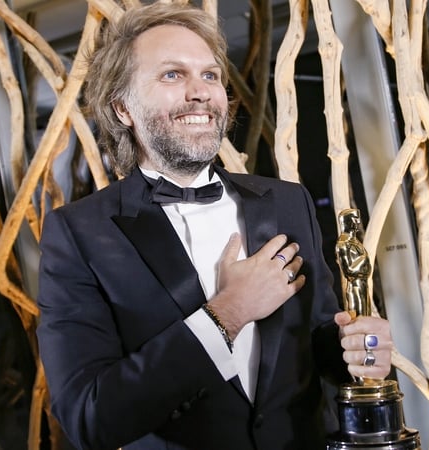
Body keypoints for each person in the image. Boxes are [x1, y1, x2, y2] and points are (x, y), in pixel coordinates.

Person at [36, 3, 394, 449]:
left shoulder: (286, 201)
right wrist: (228, 312)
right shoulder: (78, 234)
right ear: (123, 107)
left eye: (209, 75)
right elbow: (89, 419)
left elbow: (315, 339)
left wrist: (355, 350)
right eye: (172, 75)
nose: (201, 92)